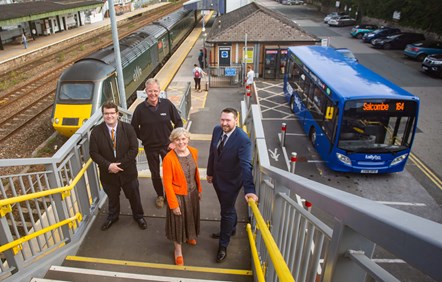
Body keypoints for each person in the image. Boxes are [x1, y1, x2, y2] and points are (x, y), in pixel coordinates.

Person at [207, 107, 259, 263]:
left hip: (231, 182)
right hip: (217, 178)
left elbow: (245, 165)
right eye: (222, 119)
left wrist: (249, 189)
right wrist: (209, 172)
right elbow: (212, 152)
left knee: (226, 211)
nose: (224, 123)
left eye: (228, 120)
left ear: (236, 120)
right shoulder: (217, 130)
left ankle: (223, 245)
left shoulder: (243, 140)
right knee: (226, 206)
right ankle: (231, 228)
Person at [89, 101, 147, 231]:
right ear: (103, 115)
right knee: (112, 197)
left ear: (117, 114)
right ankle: (113, 217)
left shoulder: (128, 128)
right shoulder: (96, 132)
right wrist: (109, 166)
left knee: (134, 196)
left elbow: (133, 149)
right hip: (108, 173)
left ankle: (139, 216)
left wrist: (118, 165)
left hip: (128, 172)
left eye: (112, 113)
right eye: (106, 114)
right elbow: (93, 153)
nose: (109, 116)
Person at [131, 78, 183, 209]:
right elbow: (133, 127)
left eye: (155, 91)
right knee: (155, 174)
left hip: (167, 146)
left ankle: (173, 194)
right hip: (150, 148)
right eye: (150, 91)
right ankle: (160, 195)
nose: (153, 94)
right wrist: (144, 138)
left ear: (159, 91)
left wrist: (174, 142)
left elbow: (178, 122)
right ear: (146, 91)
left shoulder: (167, 104)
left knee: (171, 171)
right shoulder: (140, 109)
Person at [163, 127, 202, 266]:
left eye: (183, 139)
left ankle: (190, 236)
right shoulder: (169, 159)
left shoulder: (193, 152)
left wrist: (199, 190)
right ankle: (178, 251)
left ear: (188, 139)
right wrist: (173, 204)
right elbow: (167, 184)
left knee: (191, 217)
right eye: (177, 139)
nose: (181, 142)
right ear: (173, 141)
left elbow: (196, 173)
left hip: (192, 193)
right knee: (178, 222)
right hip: (178, 196)